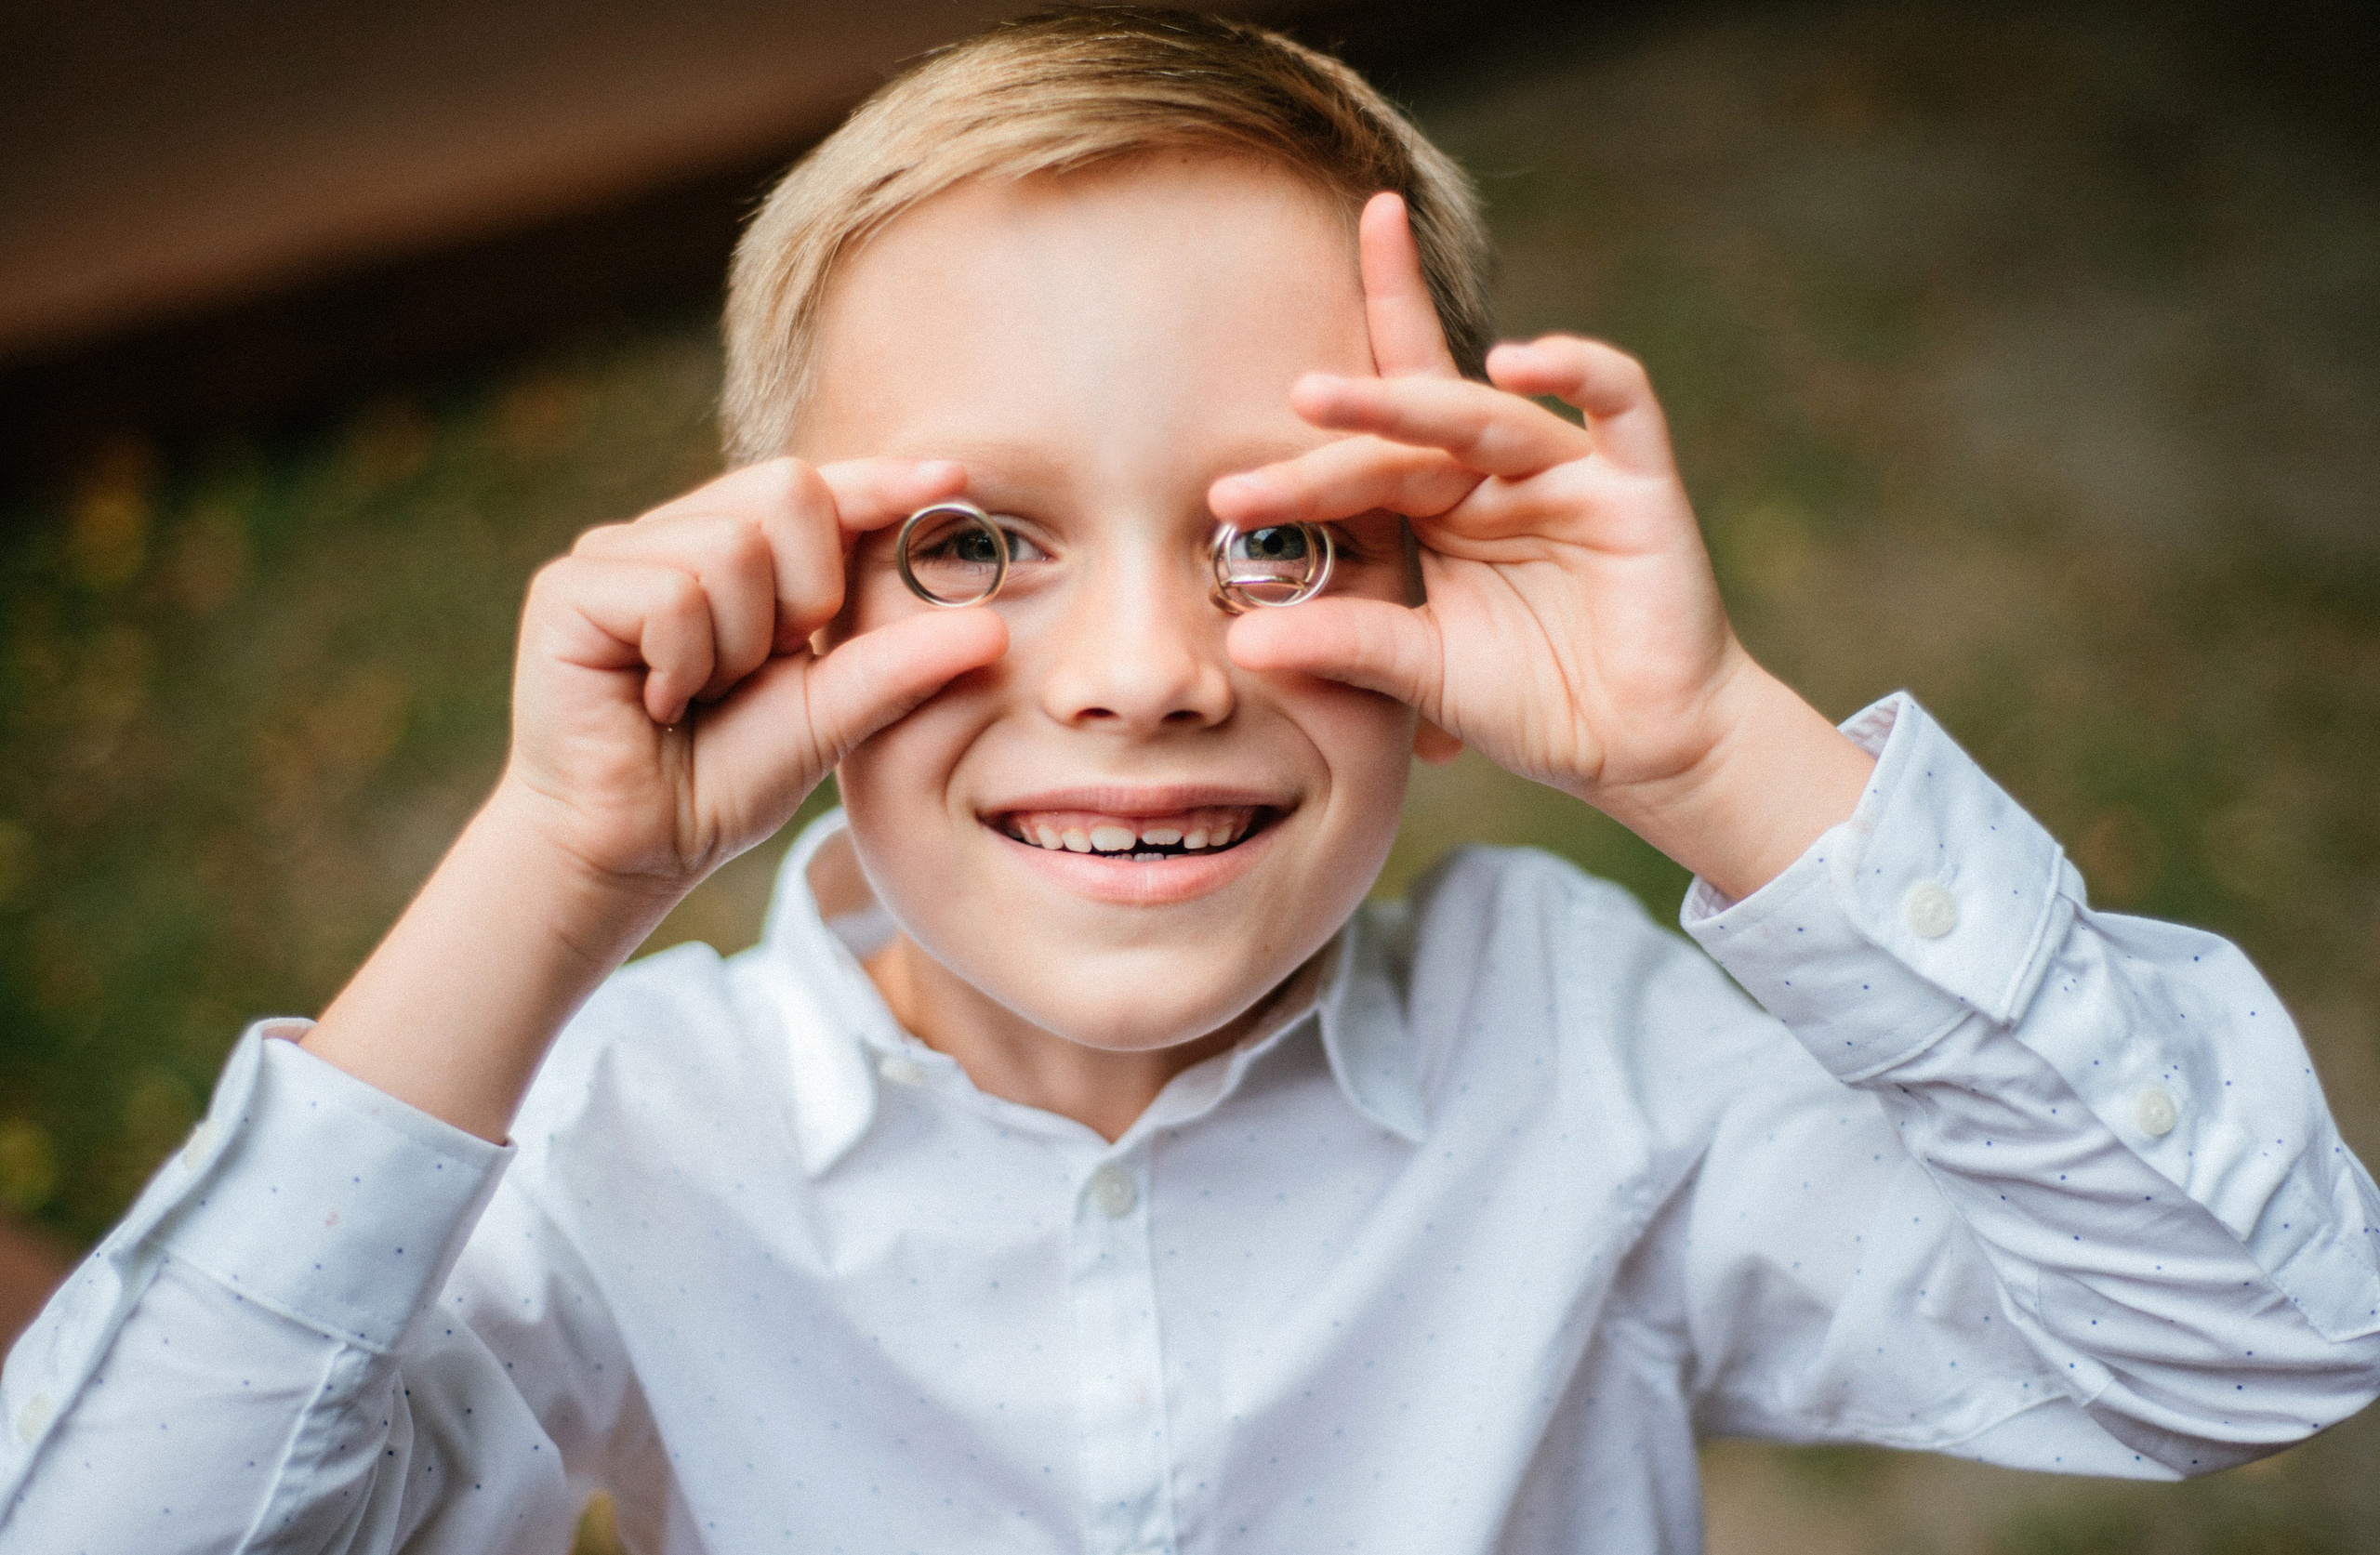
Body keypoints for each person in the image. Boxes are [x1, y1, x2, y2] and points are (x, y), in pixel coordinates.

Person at [4, 8, 2376, 1551]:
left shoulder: (1587, 1060)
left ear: (1444, 624)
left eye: (1271, 540)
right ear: (783, 593)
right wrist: (544, 869)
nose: (1139, 672)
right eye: (969, 541)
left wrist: (1707, 751)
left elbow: (2263, 1337)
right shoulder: (624, 1140)